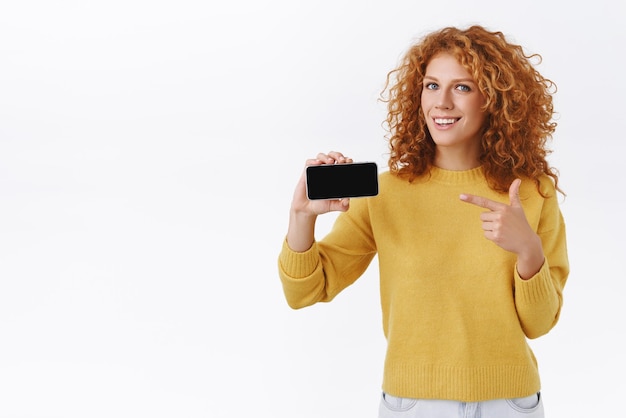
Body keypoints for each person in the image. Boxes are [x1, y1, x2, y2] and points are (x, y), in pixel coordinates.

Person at [277, 24, 569, 418]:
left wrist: (528, 250)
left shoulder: (533, 193)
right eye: (432, 86)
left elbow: (540, 324)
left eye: (463, 88)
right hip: (412, 404)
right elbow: (305, 292)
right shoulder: (386, 193)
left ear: (494, 100)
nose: (442, 102)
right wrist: (301, 218)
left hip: (510, 403)